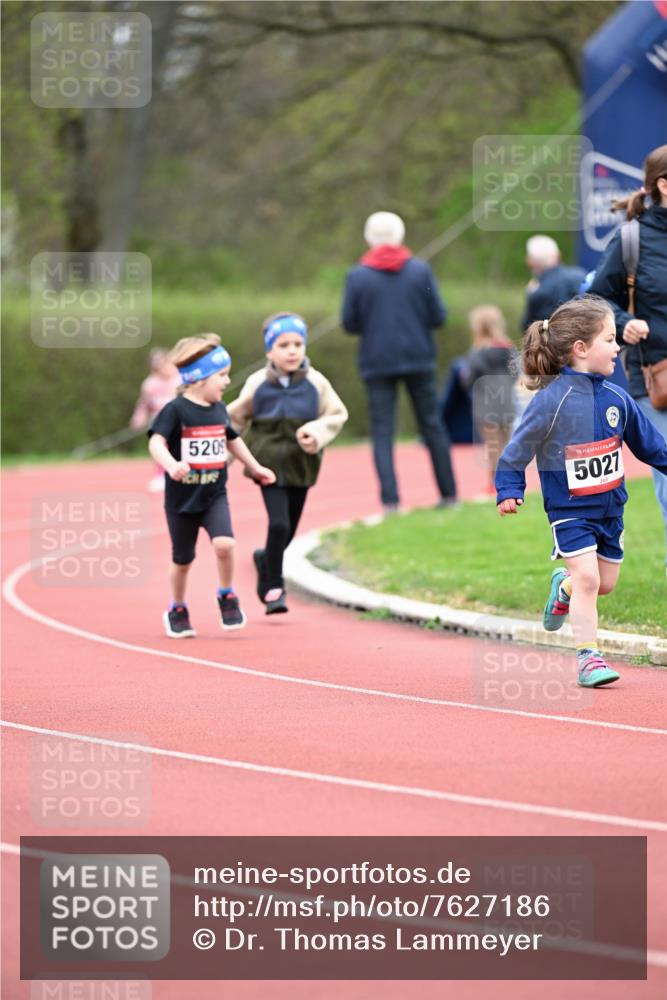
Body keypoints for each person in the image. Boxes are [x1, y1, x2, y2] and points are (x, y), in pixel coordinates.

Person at [495, 297, 667, 688]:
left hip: (611, 509)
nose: (618, 346)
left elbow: (652, 447)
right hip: (569, 511)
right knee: (589, 579)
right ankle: (588, 657)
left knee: (603, 583)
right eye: (610, 338)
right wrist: (509, 487)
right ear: (581, 349)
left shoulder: (618, 399)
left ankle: (564, 586)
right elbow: (516, 451)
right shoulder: (550, 402)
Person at [148, 333, 276, 638]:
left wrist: (255, 467)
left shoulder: (220, 410)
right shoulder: (175, 410)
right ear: (199, 379)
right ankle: (177, 607)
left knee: (225, 544)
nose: (227, 381)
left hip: (214, 495)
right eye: (221, 375)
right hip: (181, 501)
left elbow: (232, 440)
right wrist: (171, 464)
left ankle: (227, 595)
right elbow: (156, 442)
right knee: (183, 560)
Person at [227, 312, 348, 614]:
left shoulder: (316, 383)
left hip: (301, 467)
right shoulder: (257, 384)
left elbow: (336, 415)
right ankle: (274, 588)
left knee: (289, 531)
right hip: (265, 466)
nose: (292, 351)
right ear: (269, 351)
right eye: (283, 345)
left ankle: (265, 559)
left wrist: (315, 433)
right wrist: (222, 460)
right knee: (278, 524)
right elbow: (234, 421)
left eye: (298, 344)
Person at [341, 211, 457, 512]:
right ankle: (449, 495)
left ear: (369, 238)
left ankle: (390, 501)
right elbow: (438, 316)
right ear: (400, 235)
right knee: (432, 426)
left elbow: (349, 323)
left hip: (377, 361)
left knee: (382, 431)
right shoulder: (420, 271)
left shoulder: (357, 276)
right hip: (419, 358)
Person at [589, 144, 667, 566]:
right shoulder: (632, 239)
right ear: (663, 185)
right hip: (657, 378)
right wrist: (623, 322)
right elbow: (596, 300)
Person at [459, 305, 518, 494]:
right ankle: (509, 480)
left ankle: (494, 482)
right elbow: (516, 373)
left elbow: (468, 379)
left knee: (493, 446)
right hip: (506, 400)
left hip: (486, 403)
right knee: (506, 444)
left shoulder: (477, 353)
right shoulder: (509, 349)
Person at [130, 348, 181, 491]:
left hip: (180, 420)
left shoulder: (179, 380)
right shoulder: (150, 384)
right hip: (159, 421)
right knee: (160, 446)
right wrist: (138, 418)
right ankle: (161, 476)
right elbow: (144, 404)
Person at [521, 235, 585, 331]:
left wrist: (530, 294)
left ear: (531, 261)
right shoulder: (581, 275)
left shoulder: (538, 293)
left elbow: (527, 328)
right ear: (558, 255)